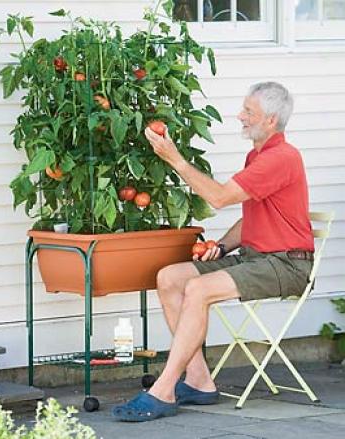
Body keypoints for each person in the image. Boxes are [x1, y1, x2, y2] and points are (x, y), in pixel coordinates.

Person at [112, 81, 314, 422]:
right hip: (256, 257)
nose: (240, 116)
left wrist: (174, 159)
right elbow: (251, 215)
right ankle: (200, 381)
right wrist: (221, 246)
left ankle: (163, 388)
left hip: (286, 264)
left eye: (249, 112)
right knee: (171, 277)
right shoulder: (258, 155)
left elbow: (219, 197)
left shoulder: (282, 158)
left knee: (198, 288)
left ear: (271, 120)